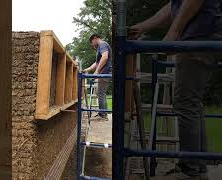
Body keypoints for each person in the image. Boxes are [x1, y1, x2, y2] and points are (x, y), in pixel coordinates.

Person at [129, 0, 222, 179]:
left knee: (185, 102)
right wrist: (142, 27)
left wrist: (174, 32)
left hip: (199, 35)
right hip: (205, 34)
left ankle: (191, 170)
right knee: (192, 102)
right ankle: (198, 167)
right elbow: (174, 7)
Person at [83, 33, 112, 121]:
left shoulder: (102, 44)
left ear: (95, 38)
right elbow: (97, 63)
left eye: (91, 42)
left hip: (105, 73)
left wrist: (97, 71)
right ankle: (102, 113)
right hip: (104, 73)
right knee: (100, 93)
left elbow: (105, 57)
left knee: (101, 93)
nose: (92, 45)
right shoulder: (101, 47)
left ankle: (103, 115)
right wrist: (88, 69)